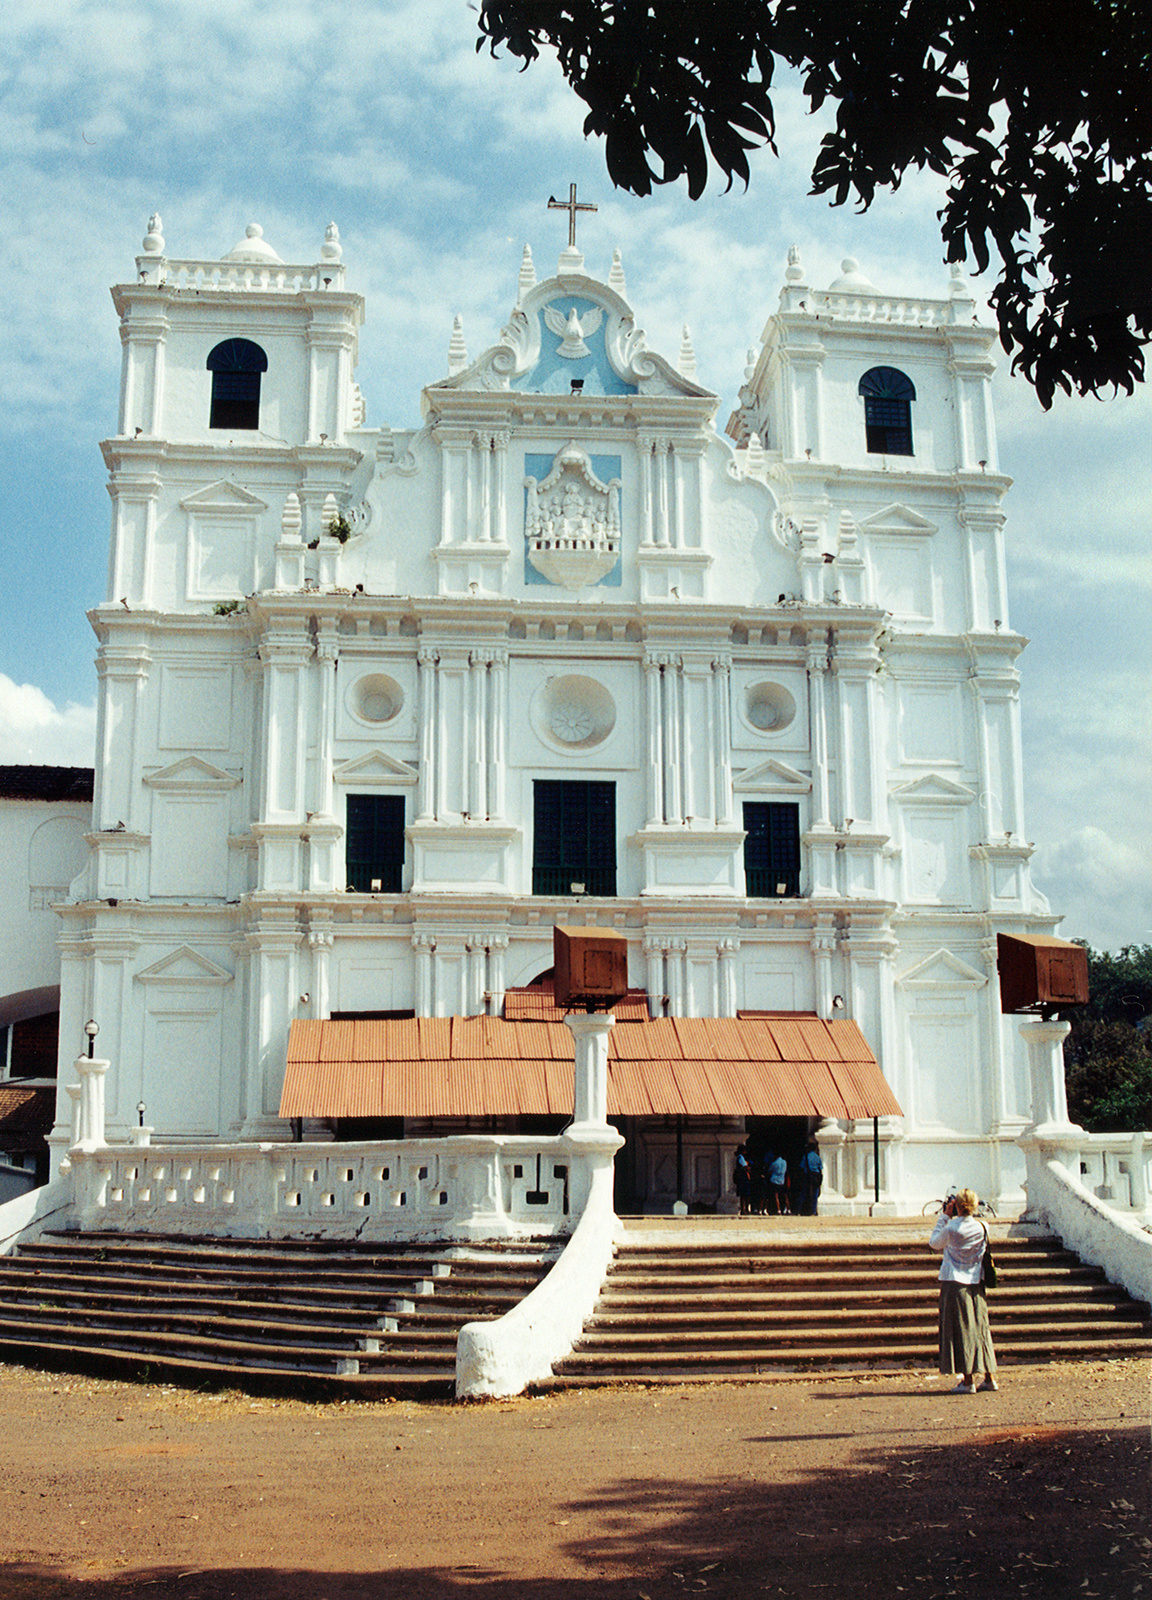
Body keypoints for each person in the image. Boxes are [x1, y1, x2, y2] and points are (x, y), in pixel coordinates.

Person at [929, 1188, 998, 1393]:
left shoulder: (951, 1228)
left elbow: (934, 1243)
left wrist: (943, 1217)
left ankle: (968, 1380)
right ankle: (989, 1376)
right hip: (976, 1281)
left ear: (956, 1206)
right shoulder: (983, 1227)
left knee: (961, 1330)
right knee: (980, 1327)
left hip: (955, 1281)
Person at [797, 1139, 823, 1215]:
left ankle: (799, 1210)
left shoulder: (806, 1157)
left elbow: (801, 1167)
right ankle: (813, 1212)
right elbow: (820, 1168)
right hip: (816, 1176)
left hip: (807, 1175)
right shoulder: (818, 1157)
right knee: (815, 1194)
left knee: (803, 1193)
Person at [733, 1143, 752, 1215]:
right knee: (745, 1195)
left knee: (743, 1195)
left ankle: (744, 1209)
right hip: (743, 1178)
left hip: (741, 1178)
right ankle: (745, 1209)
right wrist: (749, 1168)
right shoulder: (741, 1157)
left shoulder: (739, 1157)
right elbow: (745, 1167)